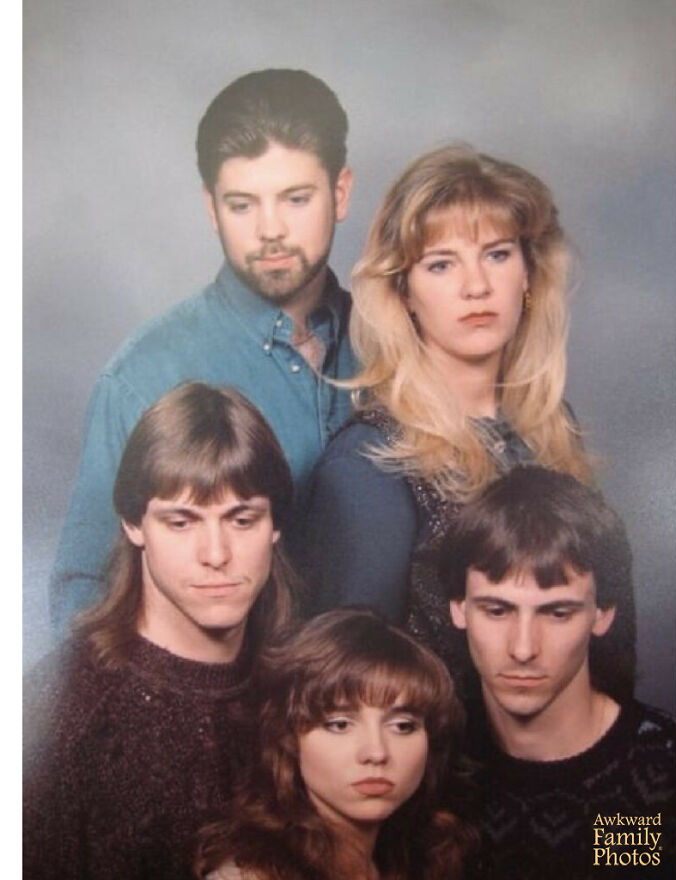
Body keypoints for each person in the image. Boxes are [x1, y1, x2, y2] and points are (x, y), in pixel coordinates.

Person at [50, 68, 355, 634]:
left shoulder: (401, 346)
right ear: (211, 208)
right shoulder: (143, 376)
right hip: (223, 709)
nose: (270, 230)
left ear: (340, 193)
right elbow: (83, 597)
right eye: (242, 205)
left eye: (295, 198)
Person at [298, 143, 592, 697]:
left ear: (529, 275)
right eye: (441, 264)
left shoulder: (554, 429)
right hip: (441, 775)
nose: (476, 286)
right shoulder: (369, 465)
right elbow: (344, 699)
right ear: (403, 292)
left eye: (498, 254)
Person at [24, 382, 301, 880]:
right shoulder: (60, 711)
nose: (215, 554)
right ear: (134, 525)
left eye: (242, 519)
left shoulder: (303, 693)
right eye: (181, 522)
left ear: (275, 525)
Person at [439, 465, 676, 879]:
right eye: (497, 610)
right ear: (458, 608)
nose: (523, 648)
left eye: (557, 612)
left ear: (602, 615)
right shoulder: (429, 768)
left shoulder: (665, 774)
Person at [196, 607, 478, 880]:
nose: (376, 753)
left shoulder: (425, 862)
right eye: (340, 724)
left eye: (402, 726)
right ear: (288, 737)